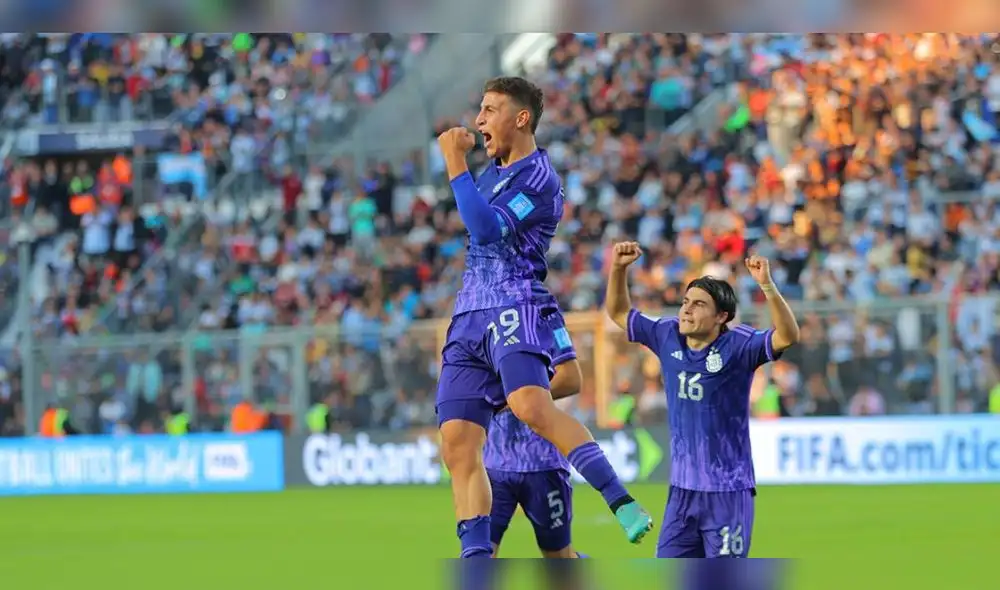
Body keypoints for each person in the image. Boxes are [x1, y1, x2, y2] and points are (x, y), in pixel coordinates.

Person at [435, 77, 653, 559]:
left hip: (516, 303)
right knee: (456, 442)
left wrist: (455, 164)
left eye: (490, 109)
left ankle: (620, 500)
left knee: (531, 405)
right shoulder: (490, 173)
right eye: (480, 108)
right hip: (469, 312)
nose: (479, 119)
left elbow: (487, 229)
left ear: (521, 118)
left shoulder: (539, 176)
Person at [604, 241, 800, 558]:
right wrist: (618, 268)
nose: (686, 309)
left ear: (721, 316)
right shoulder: (666, 334)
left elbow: (788, 336)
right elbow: (618, 312)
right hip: (682, 493)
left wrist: (766, 285)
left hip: (727, 492)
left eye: (698, 304)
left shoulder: (740, 345)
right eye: (685, 302)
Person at [485, 311, 588, 559]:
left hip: (543, 462)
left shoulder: (545, 318)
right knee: (479, 557)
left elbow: (571, 379)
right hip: (494, 463)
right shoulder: (481, 318)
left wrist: (519, 400)